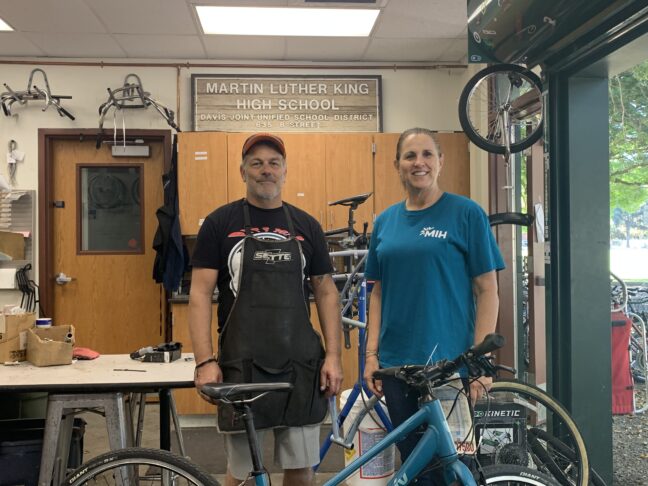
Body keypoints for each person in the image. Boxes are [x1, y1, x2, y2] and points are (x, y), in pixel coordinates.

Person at [189, 133, 343, 486]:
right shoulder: (219, 223)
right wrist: (204, 361)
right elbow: (200, 295)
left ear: (285, 171)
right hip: (241, 364)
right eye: (256, 163)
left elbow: (326, 291)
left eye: (274, 163)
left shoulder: (306, 225)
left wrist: (333, 356)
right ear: (243, 171)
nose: (265, 170)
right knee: (243, 472)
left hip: (300, 366)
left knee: (301, 469)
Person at [363, 127, 505, 484]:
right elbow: (377, 292)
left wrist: (480, 362)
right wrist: (371, 355)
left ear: (440, 162)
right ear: (397, 165)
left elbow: (488, 290)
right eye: (410, 156)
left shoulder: (466, 214)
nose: (419, 162)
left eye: (427, 154)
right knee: (413, 468)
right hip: (397, 366)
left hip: (448, 367)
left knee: (454, 467)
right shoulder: (385, 222)